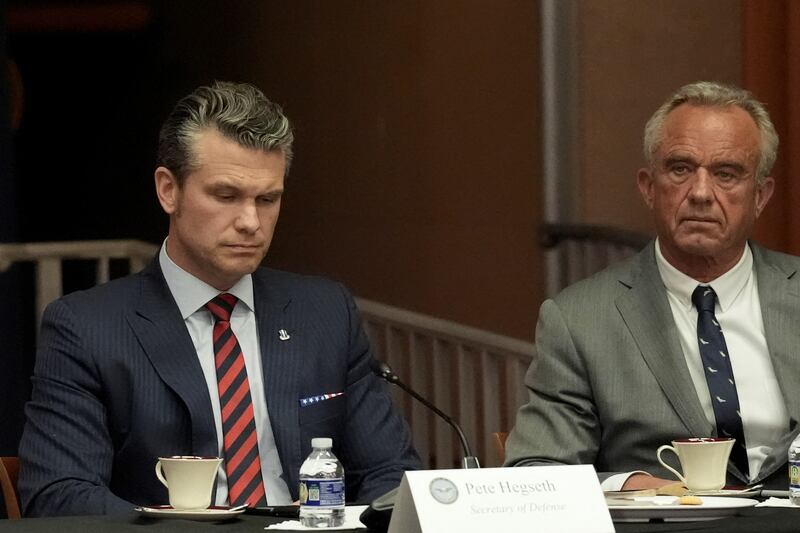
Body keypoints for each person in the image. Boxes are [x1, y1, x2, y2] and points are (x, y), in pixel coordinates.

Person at [18, 81, 421, 516]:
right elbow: (59, 495)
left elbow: (390, 473)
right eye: (226, 196)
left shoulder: (324, 312)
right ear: (168, 190)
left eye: (267, 199)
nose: (251, 222)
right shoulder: (87, 327)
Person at [505, 81, 799, 491]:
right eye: (680, 169)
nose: (700, 193)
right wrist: (635, 488)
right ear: (648, 187)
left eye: (726, 174)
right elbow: (537, 472)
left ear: (761, 196)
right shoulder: (580, 320)